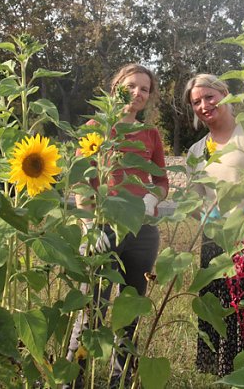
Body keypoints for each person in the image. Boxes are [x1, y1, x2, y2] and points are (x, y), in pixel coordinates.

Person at [68, 64, 168, 386]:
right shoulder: (96, 127)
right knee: (89, 309)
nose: (138, 93)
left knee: (129, 311)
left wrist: (153, 198)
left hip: (143, 232)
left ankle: (120, 381)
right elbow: (82, 181)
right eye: (132, 86)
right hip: (103, 228)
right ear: (117, 87)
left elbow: (161, 181)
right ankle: (73, 380)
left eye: (145, 89)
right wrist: (88, 227)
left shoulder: (150, 135)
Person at [183, 73, 244, 377]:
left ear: (225, 93)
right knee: (219, 311)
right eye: (196, 102)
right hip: (217, 242)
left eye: (209, 97)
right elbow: (192, 199)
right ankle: (221, 375)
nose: (204, 105)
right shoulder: (197, 151)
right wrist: (204, 215)